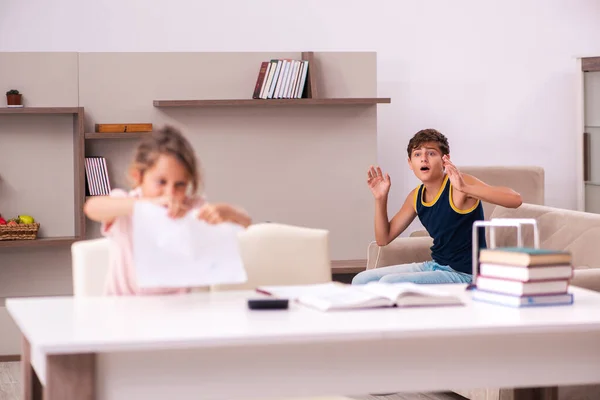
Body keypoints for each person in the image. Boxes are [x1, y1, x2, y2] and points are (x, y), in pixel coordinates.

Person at [84, 125, 252, 296]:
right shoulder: (126, 205)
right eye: (161, 182)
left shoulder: (191, 208)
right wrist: (143, 205)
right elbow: (92, 208)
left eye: (180, 185)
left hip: (177, 310)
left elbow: (246, 222)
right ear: (138, 177)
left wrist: (228, 211)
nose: (170, 193)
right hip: (124, 311)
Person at [352, 128, 522, 285]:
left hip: (466, 274)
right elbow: (383, 239)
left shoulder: (459, 184)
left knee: (388, 284)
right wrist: (381, 198)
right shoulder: (416, 196)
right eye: (417, 154)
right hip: (436, 266)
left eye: (431, 153)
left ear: (444, 160)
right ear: (410, 163)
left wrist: (466, 188)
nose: (423, 158)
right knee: (361, 280)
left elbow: (515, 199)